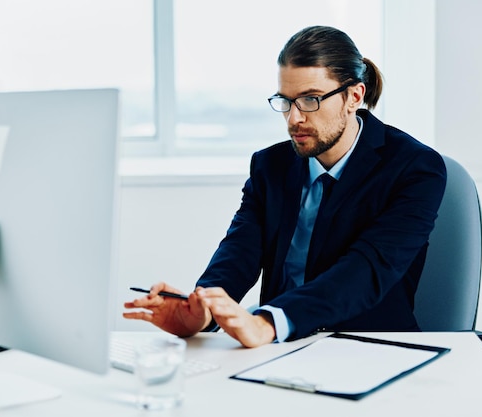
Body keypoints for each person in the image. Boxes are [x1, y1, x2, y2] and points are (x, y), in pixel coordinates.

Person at [123, 26, 446, 348]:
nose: (293, 119)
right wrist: (204, 310)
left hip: (367, 346)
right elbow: (240, 252)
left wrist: (269, 323)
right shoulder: (270, 166)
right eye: (286, 101)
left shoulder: (413, 167)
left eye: (310, 100)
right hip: (281, 345)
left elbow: (367, 269)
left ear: (354, 96)